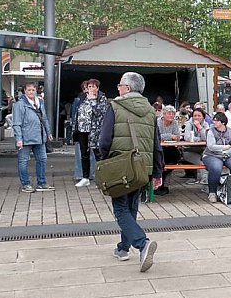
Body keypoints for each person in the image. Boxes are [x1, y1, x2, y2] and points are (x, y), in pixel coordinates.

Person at [98, 72, 161, 271]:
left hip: (121, 165)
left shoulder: (115, 106)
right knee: (131, 208)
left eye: (119, 85)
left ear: (127, 88)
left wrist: (103, 159)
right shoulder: (151, 111)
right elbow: (156, 144)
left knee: (120, 210)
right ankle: (123, 248)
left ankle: (142, 244)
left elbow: (104, 140)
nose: (117, 88)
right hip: (143, 167)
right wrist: (157, 172)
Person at [12, 82, 53, 193]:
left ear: (36, 91)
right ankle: (26, 184)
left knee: (42, 160)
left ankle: (42, 183)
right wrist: (19, 138)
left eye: (33, 90)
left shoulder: (40, 102)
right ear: (24, 91)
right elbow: (16, 123)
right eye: (29, 90)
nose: (31, 92)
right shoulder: (20, 105)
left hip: (40, 137)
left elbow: (44, 119)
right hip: (26, 137)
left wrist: (48, 133)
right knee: (23, 161)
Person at [73, 79, 109, 188]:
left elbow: (101, 113)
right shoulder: (83, 97)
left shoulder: (101, 98)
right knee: (84, 154)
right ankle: (85, 177)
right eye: (89, 87)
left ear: (97, 88)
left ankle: (102, 178)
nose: (91, 89)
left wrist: (93, 101)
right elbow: (78, 111)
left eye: (93, 86)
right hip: (82, 129)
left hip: (95, 130)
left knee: (98, 154)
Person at [203, 111, 231, 203]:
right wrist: (223, 148)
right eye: (213, 120)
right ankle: (212, 192)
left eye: (216, 120)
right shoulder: (211, 131)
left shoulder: (230, 131)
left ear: (223, 122)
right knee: (216, 167)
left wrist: (226, 152)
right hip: (211, 155)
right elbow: (211, 146)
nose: (214, 122)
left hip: (228, 154)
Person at [155, 105, 181, 195]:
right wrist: (170, 136)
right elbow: (157, 136)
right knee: (161, 160)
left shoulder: (174, 123)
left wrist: (170, 137)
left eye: (173, 114)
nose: (171, 115)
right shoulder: (158, 122)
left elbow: (177, 136)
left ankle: (164, 184)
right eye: (169, 113)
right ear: (164, 114)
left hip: (171, 147)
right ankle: (160, 185)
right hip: (159, 147)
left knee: (176, 156)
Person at [182, 108, 209, 185]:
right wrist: (199, 139)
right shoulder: (189, 124)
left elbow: (207, 138)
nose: (196, 117)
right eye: (195, 116)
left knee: (208, 160)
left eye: (199, 116)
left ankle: (206, 181)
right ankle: (205, 182)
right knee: (202, 163)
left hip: (202, 150)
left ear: (203, 117)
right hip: (189, 150)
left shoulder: (206, 124)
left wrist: (200, 128)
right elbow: (187, 137)